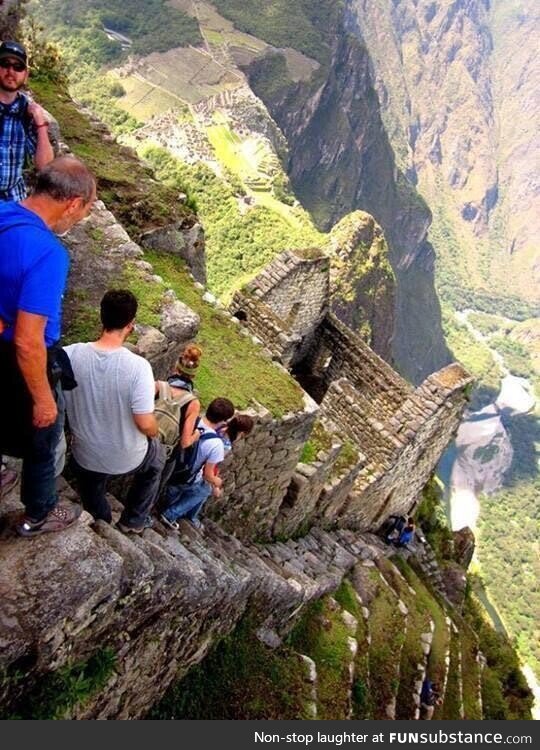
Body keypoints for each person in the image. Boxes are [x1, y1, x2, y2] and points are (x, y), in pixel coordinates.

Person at [0, 156, 96, 536]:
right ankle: (38, 514)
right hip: (17, 357)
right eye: (85, 210)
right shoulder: (47, 252)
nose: (80, 218)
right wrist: (43, 399)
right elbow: (28, 341)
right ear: (73, 203)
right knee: (44, 437)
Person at [63, 290, 166, 534]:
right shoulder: (138, 367)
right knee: (157, 460)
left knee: (91, 484)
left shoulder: (69, 354)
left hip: (85, 454)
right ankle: (133, 520)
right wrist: (155, 431)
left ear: (101, 317)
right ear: (130, 325)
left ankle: (101, 519)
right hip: (127, 457)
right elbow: (144, 422)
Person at [160, 397, 235, 531]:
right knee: (205, 490)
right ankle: (170, 514)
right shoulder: (216, 444)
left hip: (169, 468)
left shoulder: (192, 420)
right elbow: (208, 475)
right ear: (224, 421)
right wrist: (217, 482)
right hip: (184, 479)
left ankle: (164, 505)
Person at [0, 40, 54, 202]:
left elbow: (45, 166)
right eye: (5, 64)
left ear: (25, 74)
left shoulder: (26, 111)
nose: (11, 71)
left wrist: (40, 123)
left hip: (13, 198)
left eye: (18, 67)